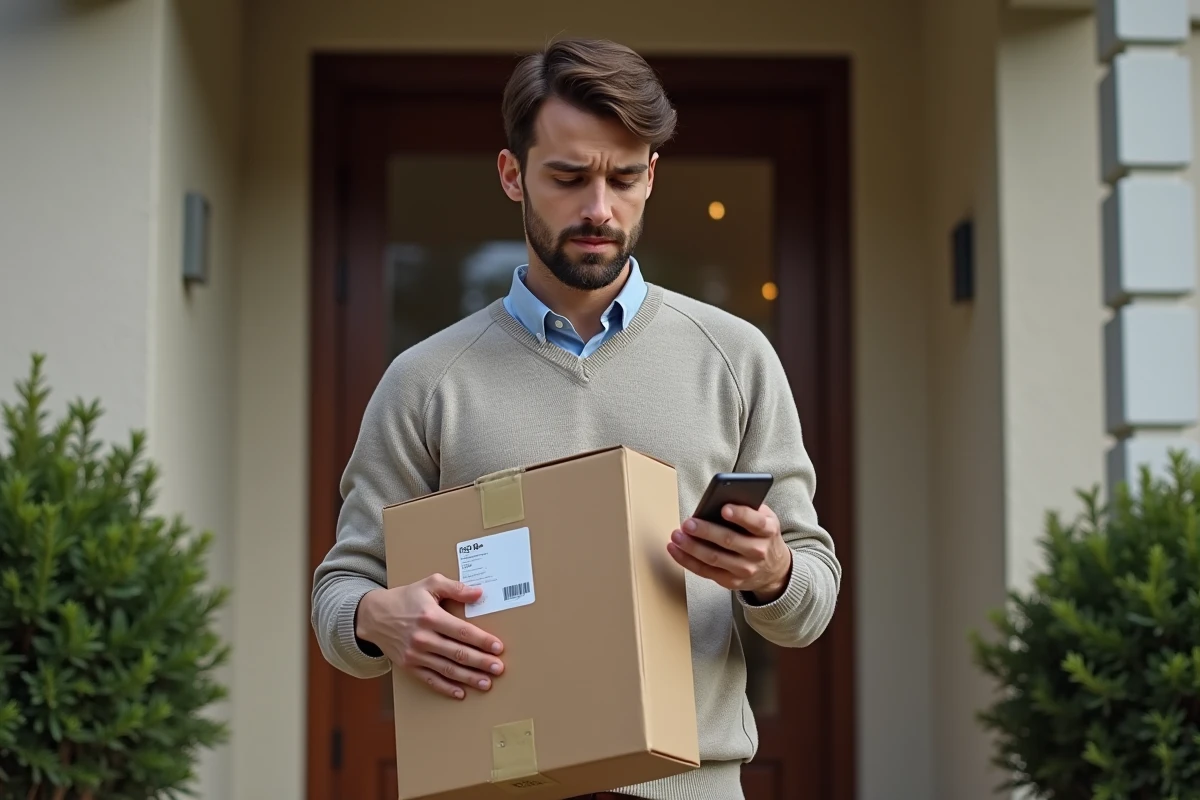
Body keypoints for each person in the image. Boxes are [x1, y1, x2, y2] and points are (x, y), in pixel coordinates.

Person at [311, 37, 842, 800]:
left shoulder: (735, 357)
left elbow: (811, 600)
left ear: (652, 177)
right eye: (568, 177)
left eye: (625, 178)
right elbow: (341, 592)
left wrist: (771, 574)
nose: (600, 208)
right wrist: (378, 618)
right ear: (512, 174)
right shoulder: (426, 381)